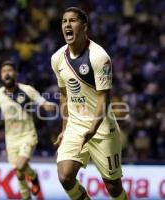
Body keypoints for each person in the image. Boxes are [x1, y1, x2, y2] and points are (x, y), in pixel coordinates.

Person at [52, 7, 127, 200]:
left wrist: (93, 128)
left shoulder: (99, 57)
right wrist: (64, 128)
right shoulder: (57, 58)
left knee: (113, 186)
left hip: (101, 128)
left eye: (73, 21)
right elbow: (63, 95)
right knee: (65, 177)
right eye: (64, 21)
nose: (67, 25)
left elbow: (104, 98)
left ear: (84, 26)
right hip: (76, 127)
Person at [0, 60, 55, 200]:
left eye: (9, 70)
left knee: (20, 166)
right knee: (19, 173)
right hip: (11, 140)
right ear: (1, 76)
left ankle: (34, 176)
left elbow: (42, 101)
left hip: (27, 135)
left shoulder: (27, 89)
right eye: (4, 71)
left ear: (15, 74)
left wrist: (48, 105)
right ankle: (28, 192)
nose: (7, 73)